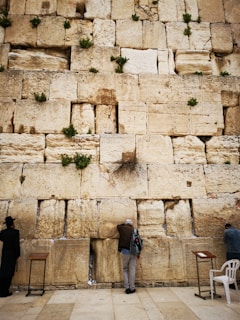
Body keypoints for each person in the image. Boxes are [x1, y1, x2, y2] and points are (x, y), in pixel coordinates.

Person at [0, 216, 20, 297]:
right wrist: (18, 255)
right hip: (12, 254)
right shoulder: (15, 232)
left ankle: (1, 290)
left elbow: (1, 238)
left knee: (3, 271)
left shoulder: (3, 232)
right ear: (12, 224)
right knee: (9, 272)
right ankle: (5, 291)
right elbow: (16, 245)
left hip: (5, 254)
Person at [117, 219, 138, 294]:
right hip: (134, 252)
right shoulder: (134, 230)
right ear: (131, 224)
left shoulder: (122, 229)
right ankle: (132, 288)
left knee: (125, 269)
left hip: (125, 251)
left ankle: (127, 288)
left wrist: (123, 224)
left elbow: (118, 226)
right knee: (132, 269)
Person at [224, 223, 240, 289]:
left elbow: (225, 241)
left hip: (231, 251)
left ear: (226, 227)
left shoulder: (226, 231)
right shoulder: (239, 231)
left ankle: (232, 284)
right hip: (239, 251)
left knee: (231, 268)